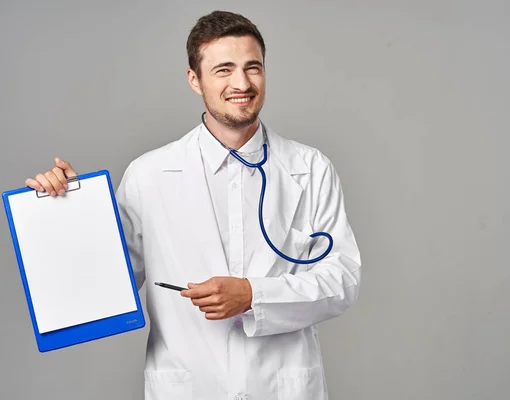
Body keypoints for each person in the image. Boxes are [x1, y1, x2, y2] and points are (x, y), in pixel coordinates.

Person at [25, 10, 361, 400]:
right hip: (187, 387)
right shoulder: (148, 174)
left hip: (282, 386)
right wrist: (66, 211)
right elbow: (108, 283)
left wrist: (254, 295)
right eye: (224, 69)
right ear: (194, 80)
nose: (242, 83)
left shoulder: (310, 168)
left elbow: (343, 279)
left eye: (253, 67)